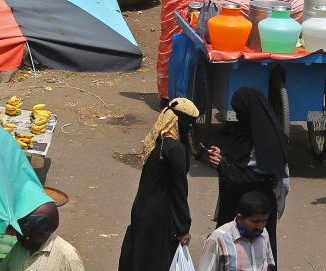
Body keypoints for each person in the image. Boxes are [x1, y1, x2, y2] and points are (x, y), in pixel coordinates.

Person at [206, 87, 289, 257]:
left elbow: (257, 177)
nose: (238, 117)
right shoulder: (255, 130)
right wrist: (224, 157)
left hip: (255, 213)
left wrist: (224, 166)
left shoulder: (266, 142)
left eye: (239, 112)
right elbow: (242, 159)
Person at [120, 98, 199, 271]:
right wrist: (183, 227)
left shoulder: (156, 140)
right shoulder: (176, 149)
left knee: (140, 259)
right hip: (161, 217)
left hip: (142, 210)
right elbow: (179, 191)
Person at [196, 190, 273, 271]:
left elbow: (267, 264)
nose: (260, 227)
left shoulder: (263, 233)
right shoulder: (217, 240)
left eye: (264, 221)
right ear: (240, 219)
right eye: (255, 221)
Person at [0, 202, 81, 271]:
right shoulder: (19, 248)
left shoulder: (68, 257)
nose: (20, 237)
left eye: (25, 232)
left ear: (44, 230)